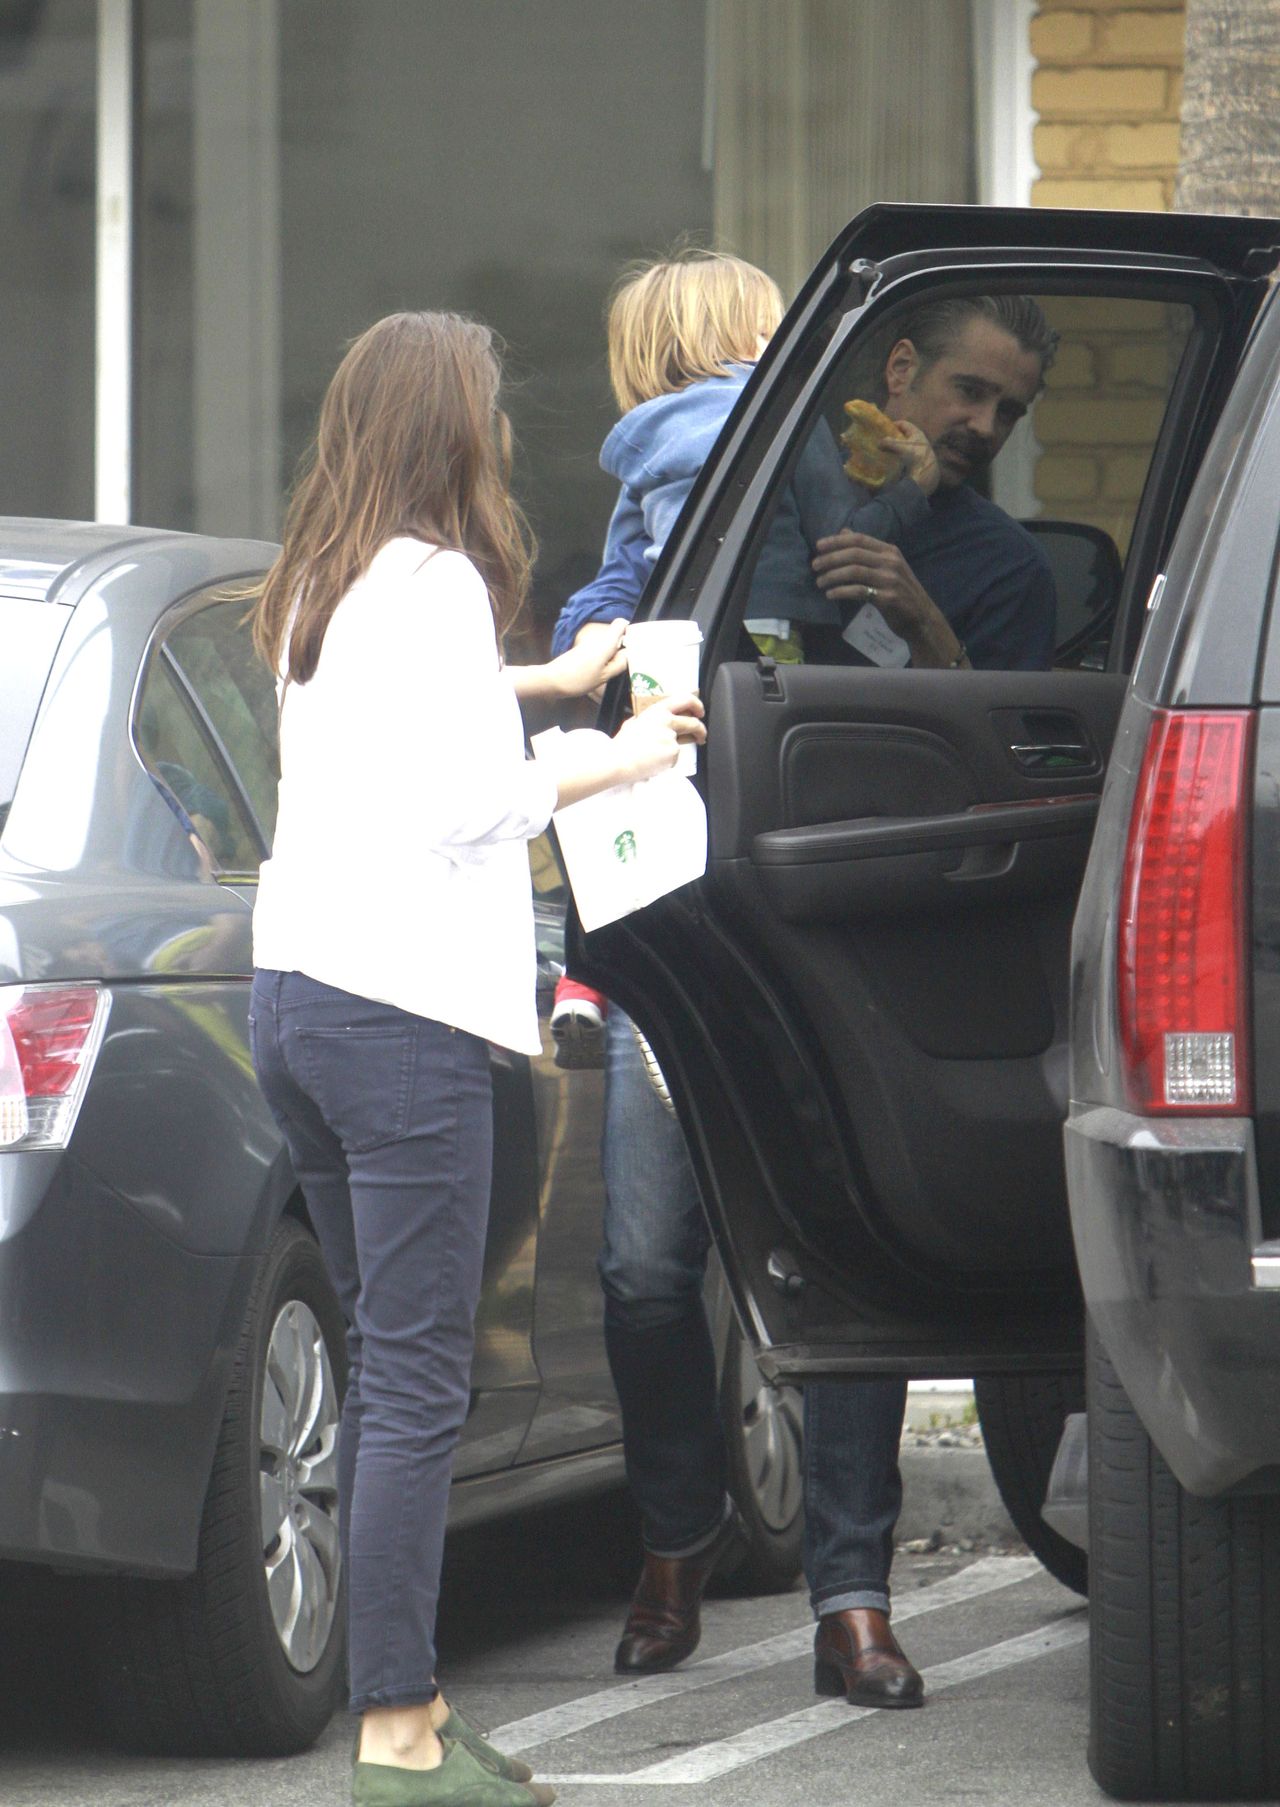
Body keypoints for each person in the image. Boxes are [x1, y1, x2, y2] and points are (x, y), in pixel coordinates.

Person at [559, 281, 1058, 1711]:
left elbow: (1022, 747)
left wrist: (920, 624)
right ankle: (675, 1535)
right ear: (895, 370)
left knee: (850, 1270)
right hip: (680, 921)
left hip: (854, 941)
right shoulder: (735, 497)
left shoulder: (1000, 561)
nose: (983, 426)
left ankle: (855, 1594)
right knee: (647, 1269)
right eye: (970, 393)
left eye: (1009, 411)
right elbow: (610, 653)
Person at [246, 310, 704, 1807]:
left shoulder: (325, 576)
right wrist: (624, 752)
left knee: (389, 1361)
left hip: (300, 1000)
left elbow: (396, 733)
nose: (504, 431)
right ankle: (394, 1736)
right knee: (419, 1376)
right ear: (450, 425)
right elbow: (462, 800)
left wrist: (556, 680)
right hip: (404, 1019)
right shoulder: (435, 579)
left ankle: (417, 1708)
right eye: (492, 409)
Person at [548, 250, 938, 1066]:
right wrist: (914, 490)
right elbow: (844, 541)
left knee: (628, 798)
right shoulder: (783, 425)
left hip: (668, 664)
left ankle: (588, 977)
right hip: (767, 649)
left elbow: (621, 569)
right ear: (753, 337)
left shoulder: (641, 445)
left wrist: (582, 640)